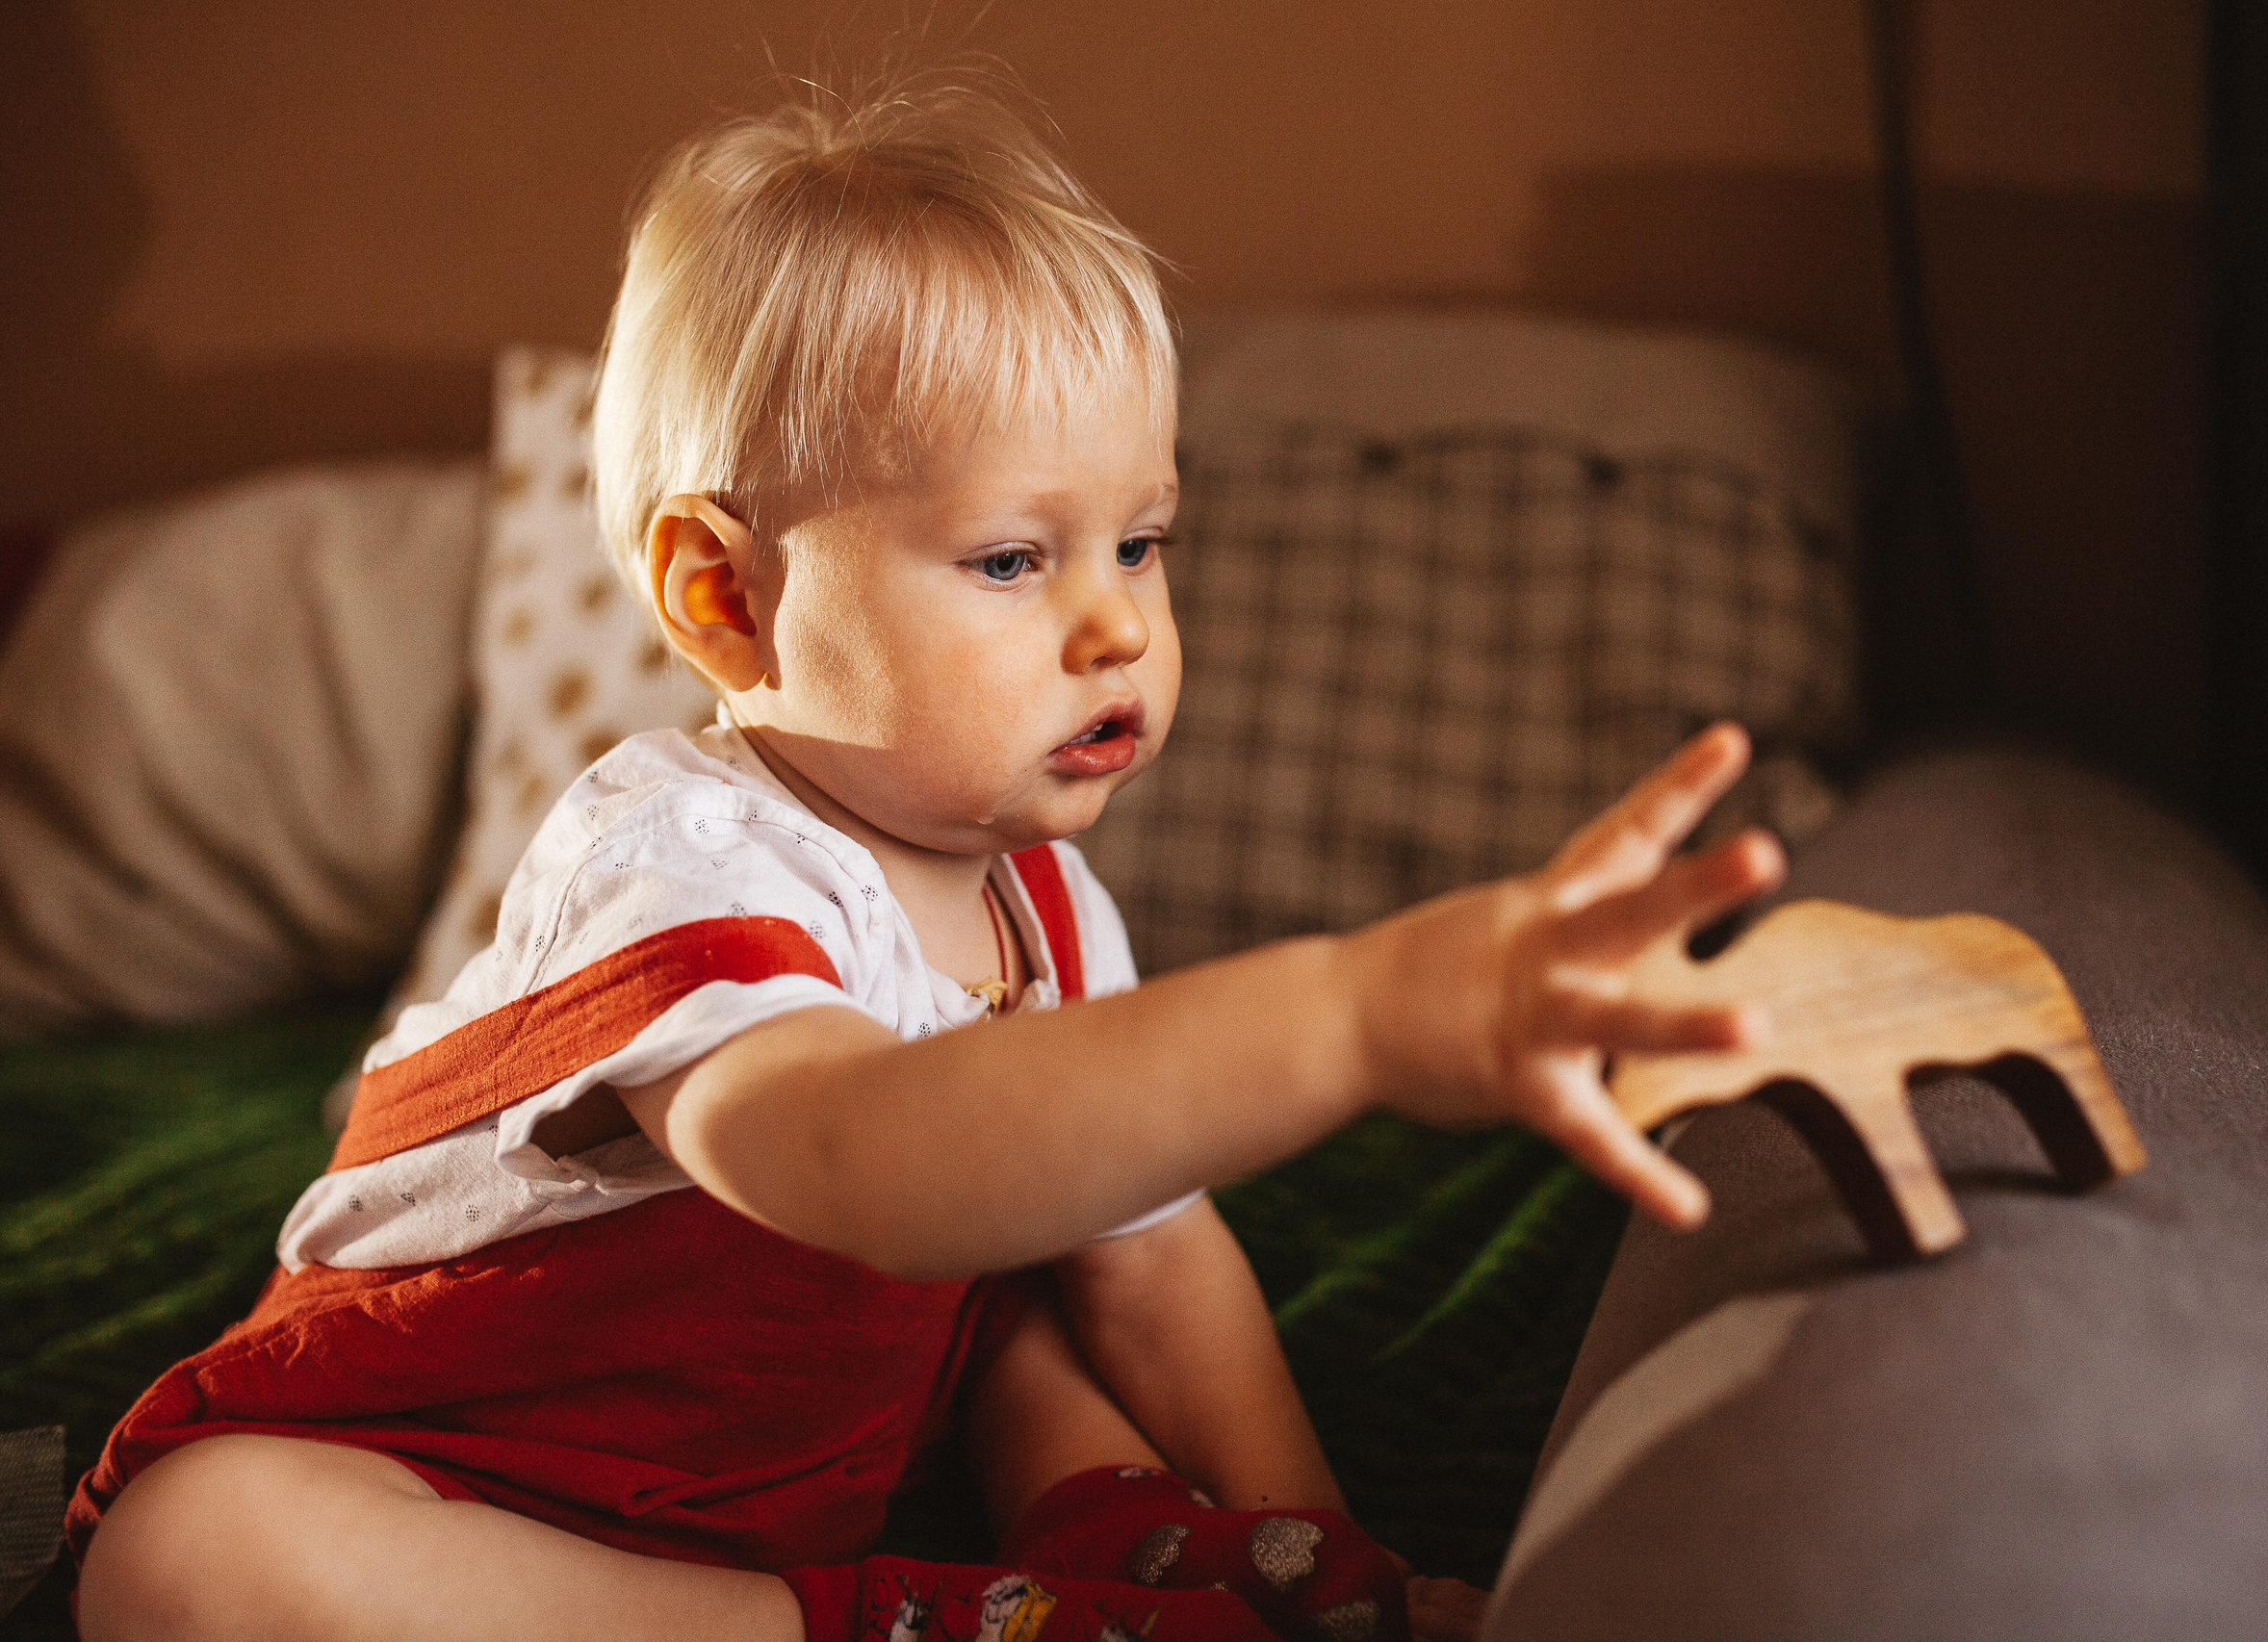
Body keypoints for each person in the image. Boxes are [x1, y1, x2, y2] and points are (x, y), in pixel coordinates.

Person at [66, 78, 1785, 1642]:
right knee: (190, 1550)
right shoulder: (676, 854)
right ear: (729, 599)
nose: (1118, 621)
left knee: (1042, 1273)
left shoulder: (1041, 897)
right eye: (1011, 559)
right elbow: (855, 1161)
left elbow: (1156, 1256)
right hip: (484, 1471)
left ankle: (1180, 1555)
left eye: (1141, 541)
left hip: (779, 1445)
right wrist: (1352, 1014)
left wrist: (1330, 1544)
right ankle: (881, 1621)